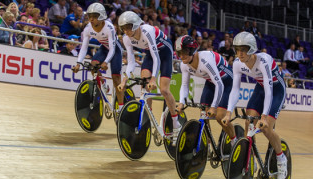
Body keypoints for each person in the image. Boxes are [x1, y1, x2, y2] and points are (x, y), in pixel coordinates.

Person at [221, 32, 288, 179]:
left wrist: (263, 117)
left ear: (251, 50)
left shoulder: (263, 61)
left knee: (265, 128)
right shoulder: (238, 63)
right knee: (248, 122)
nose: (240, 53)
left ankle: (281, 158)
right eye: (237, 49)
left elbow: (269, 91)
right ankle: (250, 158)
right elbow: (235, 89)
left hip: (276, 90)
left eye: (244, 49)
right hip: (260, 88)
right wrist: (228, 113)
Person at [117, 11, 181, 145]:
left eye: (129, 27)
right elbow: (131, 61)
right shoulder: (127, 38)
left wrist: (153, 78)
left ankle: (176, 124)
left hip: (164, 53)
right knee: (144, 87)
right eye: (124, 28)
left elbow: (157, 57)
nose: (127, 31)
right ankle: (148, 119)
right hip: (151, 55)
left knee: (164, 90)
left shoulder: (147, 31)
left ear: (136, 25)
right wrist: (124, 80)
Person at [175, 35, 238, 146]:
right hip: (211, 82)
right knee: (203, 113)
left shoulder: (205, 61)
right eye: (179, 53)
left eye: (184, 52)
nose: (182, 56)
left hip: (226, 83)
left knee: (219, 117)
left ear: (192, 50)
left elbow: (219, 84)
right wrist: (181, 102)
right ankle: (208, 145)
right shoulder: (184, 65)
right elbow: (184, 85)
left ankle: (234, 141)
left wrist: (214, 106)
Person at [72, 3, 125, 113]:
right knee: (93, 66)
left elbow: (112, 49)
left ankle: (121, 108)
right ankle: (104, 84)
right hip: (104, 48)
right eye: (90, 16)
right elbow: (84, 47)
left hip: (115, 50)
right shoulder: (88, 28)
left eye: (94, 17)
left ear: (101, 17)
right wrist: (78, 63)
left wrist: (106, 62)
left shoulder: (109, 27)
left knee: (116, 79)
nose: (91, 19)